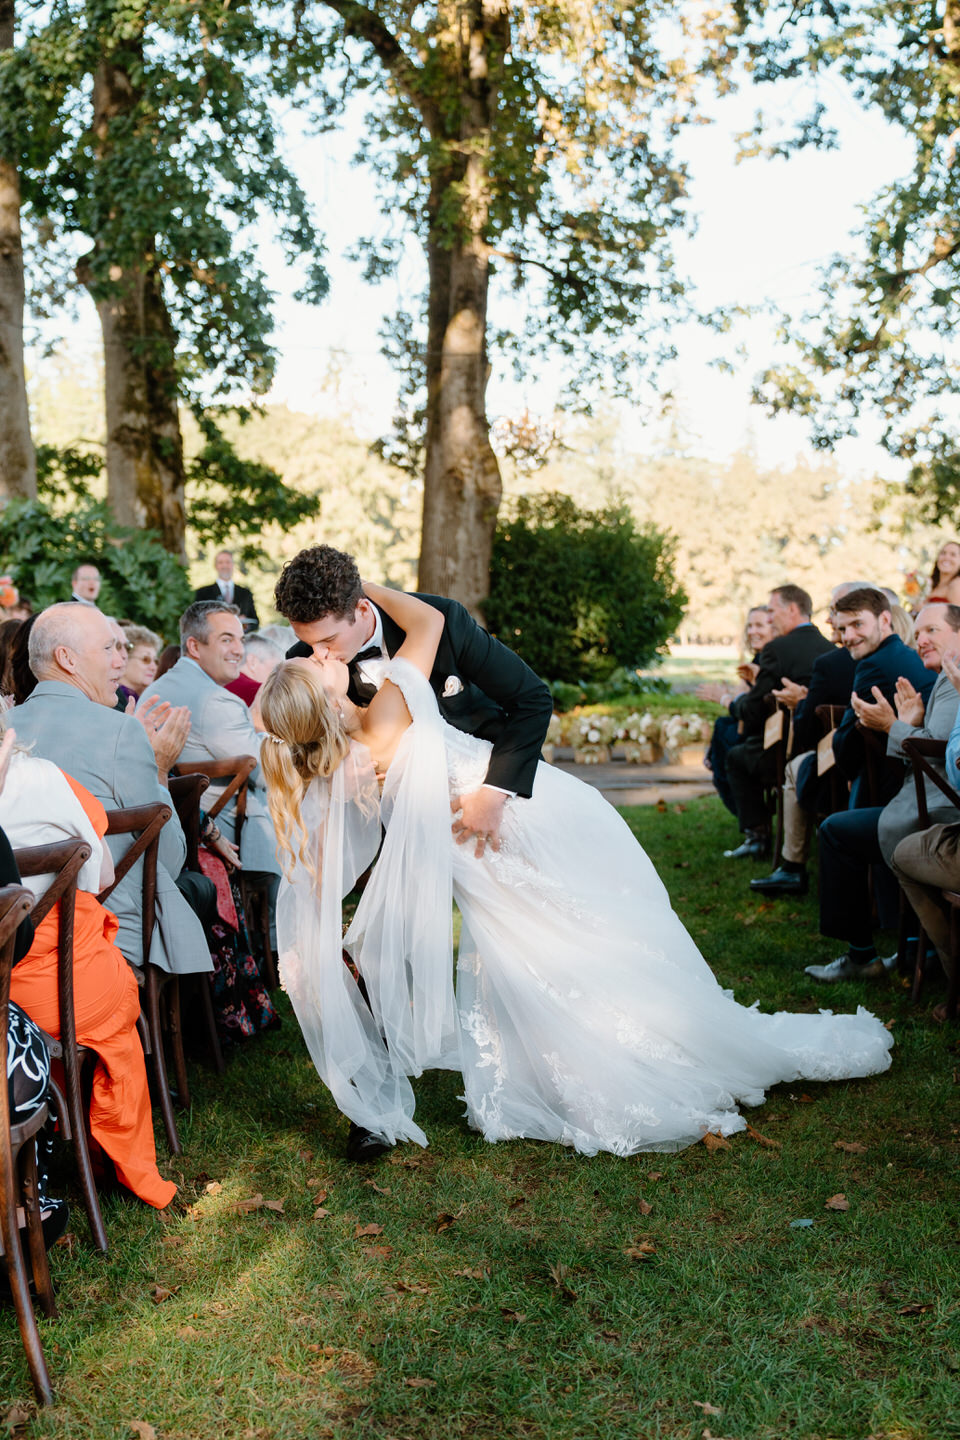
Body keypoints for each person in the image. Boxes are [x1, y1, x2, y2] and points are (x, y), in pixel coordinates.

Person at [259, 583, 893, 1160]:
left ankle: (620, 1050)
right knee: (521, 942)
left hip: (513, 807)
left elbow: (522, 693)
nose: (314, 652)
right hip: (450, 834)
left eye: (321, 642)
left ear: (356, 613)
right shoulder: (364, 689)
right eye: (309, 650)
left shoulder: (386, 691)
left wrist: (488, 794)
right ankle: (421, 1096)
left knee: (568, 931)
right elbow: (365, 687)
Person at [276, 544, 553, 855]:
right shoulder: (306, 666)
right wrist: (338, 769)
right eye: (308, 642)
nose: (320, 654)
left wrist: (493, 794)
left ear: (363, 610)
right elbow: (304, 747)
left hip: (504, 791)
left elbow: (532, 698)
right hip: (419, 824)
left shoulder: (444, 619)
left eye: (328, 640)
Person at [0, 725, 177, 1208]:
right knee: (115, 1001)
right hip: (78, 992)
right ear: (7, 735)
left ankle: (45, 1127)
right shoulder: (44, 777)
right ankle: (110, 1149)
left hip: (11, 1006)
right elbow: (98, 875)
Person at [6, 605, 212, 979]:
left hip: (17, 931)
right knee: (199, 887)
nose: (119, 661)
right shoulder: (120, 731)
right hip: (107, 931)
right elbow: (167, 860)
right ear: (66, 659)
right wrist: (161, 768)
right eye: (107, 649)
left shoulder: (6, 728)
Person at [804, 603, 960, 983]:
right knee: (844, 826)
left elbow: (937, 755)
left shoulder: (955, 682)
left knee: (837, 832)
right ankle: (908, 948)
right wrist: (907, 725)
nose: (920, 641)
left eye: (932, 632)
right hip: (927, 804)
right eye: (918, 633)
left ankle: (866, 956)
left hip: (939, 815)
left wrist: (892, 725)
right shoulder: (944, 677)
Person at [722, 585, 834, 858]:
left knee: (736, 756)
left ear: (792, 609)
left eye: (772, 611)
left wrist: (731, 702)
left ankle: (757, 836)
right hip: (826, 749)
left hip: (784, 751)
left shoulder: (777, 649)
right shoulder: (830, 648)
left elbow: (755, 708)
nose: (770, 618)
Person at [701, 606, 776, 817]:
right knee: (722, 728)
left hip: (765, 737)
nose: (752, 631)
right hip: (750, 729)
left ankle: (754, 824)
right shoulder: (756, 660)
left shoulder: (773, 660)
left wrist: (726, 698)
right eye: (750, 626)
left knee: (724, 746)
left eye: (759, 625)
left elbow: (753, 708)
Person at [194, 550, 259, 631]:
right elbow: (197, 619)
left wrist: (246, 625)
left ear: (233, 565)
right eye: (220, 562)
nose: (224, 565)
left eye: (228, 562)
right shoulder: (203, 593)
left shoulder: (245, 593)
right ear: (215, 566)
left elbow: (255, 622)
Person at [121, 625, 161, 699]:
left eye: (155, 661)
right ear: (124, 659)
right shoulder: (111, 699)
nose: (154, 667)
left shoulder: (142, 698)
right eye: (145, 659)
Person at [925, 541, 960, 606]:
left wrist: (919, 607)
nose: (946, 557)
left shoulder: (957, 584)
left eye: (953, 554)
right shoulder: (931, 583)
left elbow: (956, 615)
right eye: (943, 553)